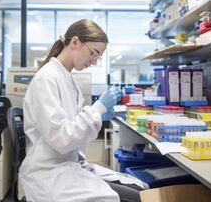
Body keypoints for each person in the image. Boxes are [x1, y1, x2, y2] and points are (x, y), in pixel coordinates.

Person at [19, 19, 142, 202]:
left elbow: (72, 126)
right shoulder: (46, 79)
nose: (93, 61)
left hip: (68, 166)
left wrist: (98, 115)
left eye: (98, 57)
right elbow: (62, 138)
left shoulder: (67, 79)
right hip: (49, 173)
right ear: (75, 42)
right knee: (130, 199)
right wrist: (97, 109)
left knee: (137, 188)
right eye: (94, 53)